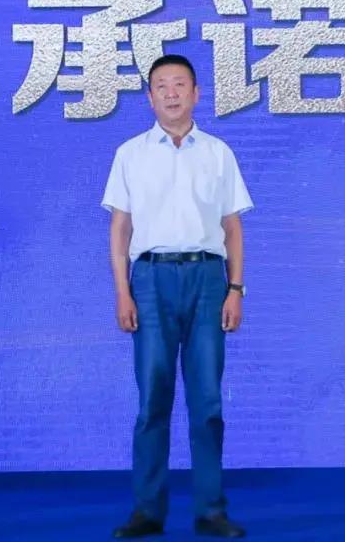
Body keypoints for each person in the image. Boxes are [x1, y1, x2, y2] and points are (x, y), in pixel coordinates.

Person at [102, 54, 252, 539]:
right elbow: (120, 228)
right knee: (153, 400)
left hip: (208, 279)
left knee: (207, 401)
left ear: (196, 93)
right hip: (150, 279)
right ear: (149, 97)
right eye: (162, 86)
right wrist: (122, 291)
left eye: (180, 84)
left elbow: (232, 227)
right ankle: (148, 510)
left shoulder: (218, 153)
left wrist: (235, 288)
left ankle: (211, 509)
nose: (171, 93)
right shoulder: (130, 153)